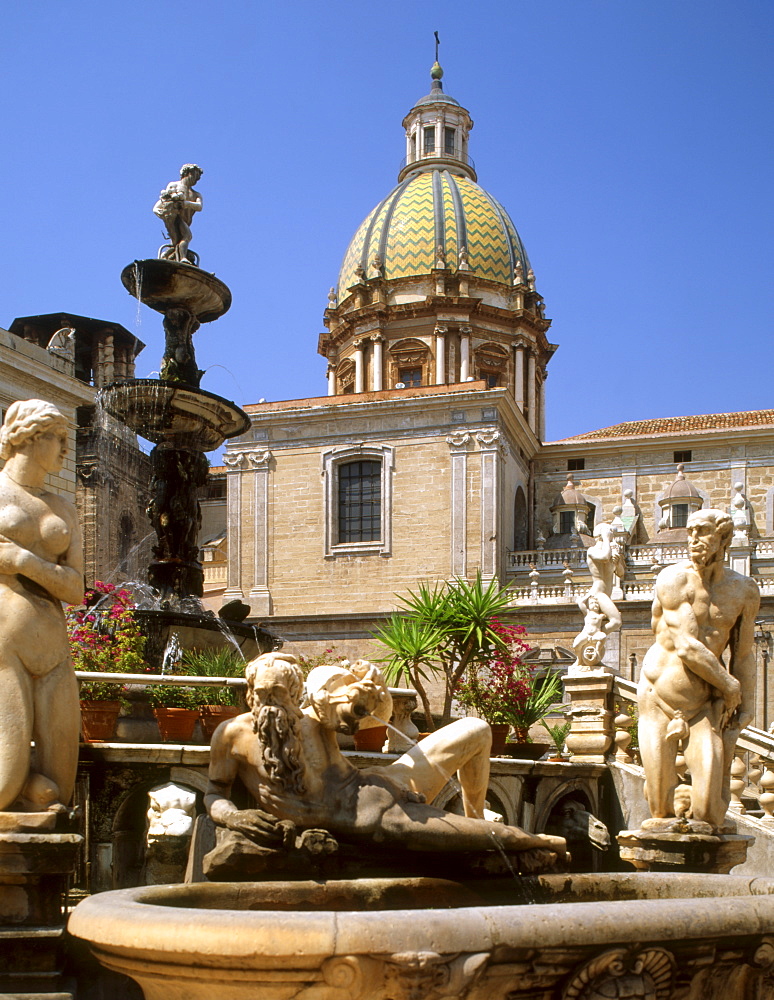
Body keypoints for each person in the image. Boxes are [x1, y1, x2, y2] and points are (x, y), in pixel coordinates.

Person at [204, 653, 565, 859]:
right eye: (263, 691)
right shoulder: (230, 736)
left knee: (476, 729)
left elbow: (350, 712)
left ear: (295, 691)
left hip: (378, 787)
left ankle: (480, 815)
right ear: (249, 691)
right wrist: (234, 817)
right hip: (372, 815)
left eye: (279, 692)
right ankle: (534, 841)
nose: (271, 699)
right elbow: (214, 793)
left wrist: (368, 689)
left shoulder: (312, 720)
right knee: (499, 840)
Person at [637, 508, 759, 831]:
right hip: (658, 699)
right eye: (690, 531)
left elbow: (744, 655)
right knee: (660, 813)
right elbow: (687, 646)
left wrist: (746, 709)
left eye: (702, 531)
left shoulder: (744, 591)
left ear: (724, 539)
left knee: (708, 814)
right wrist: (731, 687)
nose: (693, 539)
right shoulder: (673, 580)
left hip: (703, 706)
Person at [0, 400, 84, 813]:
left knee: (60, 790)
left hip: (52, 647)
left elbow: (75, 589)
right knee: (4, 784)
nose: (66, 449)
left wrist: (22, 562)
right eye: (58, 438)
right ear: (29, 437)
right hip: (4, 645)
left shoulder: (64, 508)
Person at [576, 521, 625, 637]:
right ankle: (593, 637)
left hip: (606, 594)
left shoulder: (610, 553)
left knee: (614, 622)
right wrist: (606, 540)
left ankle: (592, 636)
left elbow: (621, 573)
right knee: (616, 621)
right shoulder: (592, 551)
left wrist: (617, 563)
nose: (612, 540)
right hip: (598, 594)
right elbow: (603, 557)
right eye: (610, 536)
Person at [153, 163, 203, 264]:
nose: (196, 180)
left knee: (176, 241)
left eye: (198, 178)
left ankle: (166, 255)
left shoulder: (196, 194)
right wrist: (156, 209)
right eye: (194, 176)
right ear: (187, 173)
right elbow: (165, 199)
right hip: (174, 217)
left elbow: (199, 206)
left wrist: (186, 203)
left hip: (186, 221)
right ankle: (182, 258)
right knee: (187, 236)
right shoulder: (174, 185)